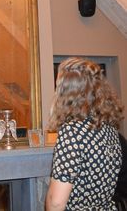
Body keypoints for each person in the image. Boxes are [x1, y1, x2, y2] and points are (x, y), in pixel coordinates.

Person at [45, 57, 124, 210]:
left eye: (58, 87)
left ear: (66, 92)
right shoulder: (110, 129)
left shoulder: (72, 131)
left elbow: (56, 202)